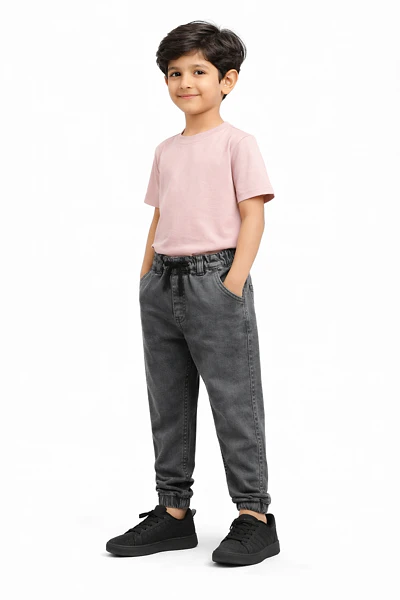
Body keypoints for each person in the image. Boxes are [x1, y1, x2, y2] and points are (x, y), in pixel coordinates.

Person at [106, 20, 280, 566]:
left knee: (234, 400)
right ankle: (173, 512)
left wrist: (232, 282)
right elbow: (160, 215)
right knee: (168, 402)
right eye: (174, 73)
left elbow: (253, 215)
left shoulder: (237, 143)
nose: (185, 82)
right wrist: (145, 276)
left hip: (215, 280)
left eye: (199, 71)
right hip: (162, 283)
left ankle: (254, 516)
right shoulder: (166, 150)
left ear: (227, 80)